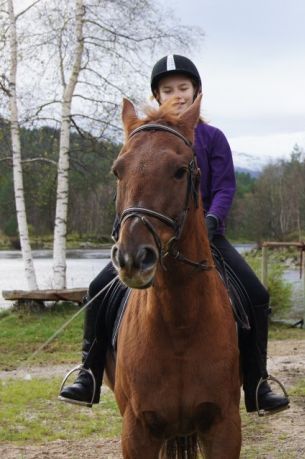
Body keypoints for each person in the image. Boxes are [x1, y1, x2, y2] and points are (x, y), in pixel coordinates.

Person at [58, 54, 290, 415]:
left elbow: (226, 187)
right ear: (157, 96)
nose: (177, 95)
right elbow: (133, 185)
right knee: (97, 291)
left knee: (257, 294)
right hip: (155, 235)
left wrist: (213, 219)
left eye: (183, 87)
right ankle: (88, 371)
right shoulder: (145, 139)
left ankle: (258, 381)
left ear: (197, 92)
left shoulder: (212, 137)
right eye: (168, 90)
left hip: (206, 239)